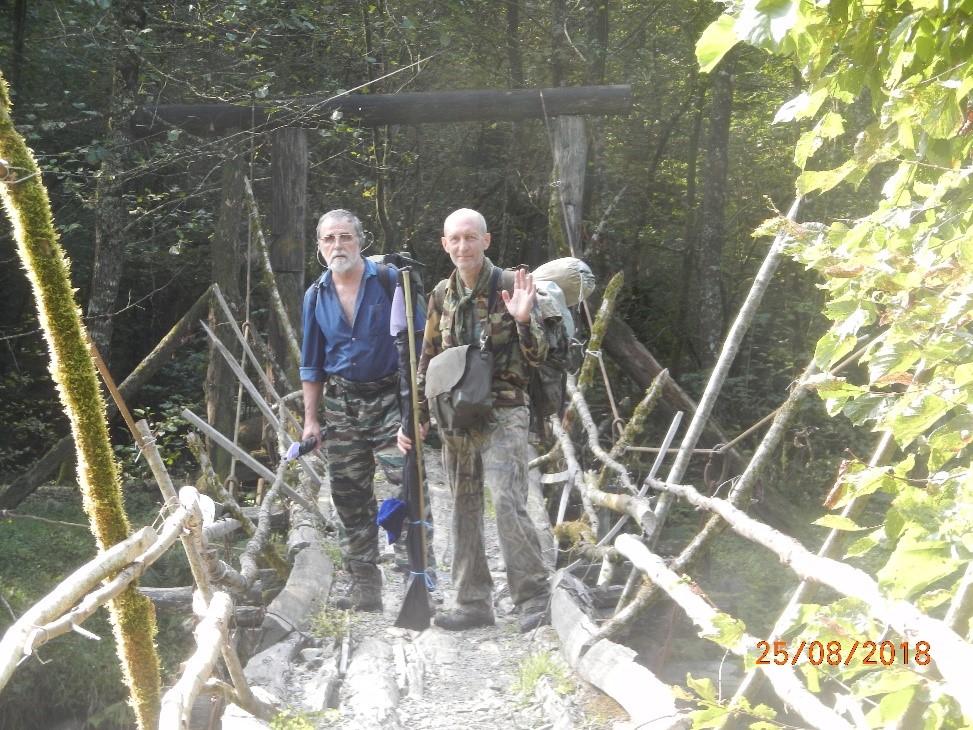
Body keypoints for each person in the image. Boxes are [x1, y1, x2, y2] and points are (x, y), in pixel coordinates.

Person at [398, 208, 553, 632]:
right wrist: (416, 417)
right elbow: (428, 358)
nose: (463, 246)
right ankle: (472, 602)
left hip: (504, 409)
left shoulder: (510, 286)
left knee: (506, 501)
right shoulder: (441, 294)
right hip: (457, 414)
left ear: (486, 240)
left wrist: (524, 319)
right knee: (463, 507)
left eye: (471, 237)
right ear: (444, 244)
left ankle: (533, 597)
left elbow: (539, 356)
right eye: (455, 239)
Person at [300, 209, 412, 612]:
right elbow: (311, 363)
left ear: (360, 241)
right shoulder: (316, 295)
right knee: (349, 496)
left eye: (345, 236)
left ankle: (416, 577)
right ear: (319, 247)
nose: (338, 245)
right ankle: (365, 586)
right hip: (341, 405)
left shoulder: (390, 281)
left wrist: (416, 410)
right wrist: (311, 420)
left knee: (407, 487)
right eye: (329, 238)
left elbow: (419, 346)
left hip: (390, 399)